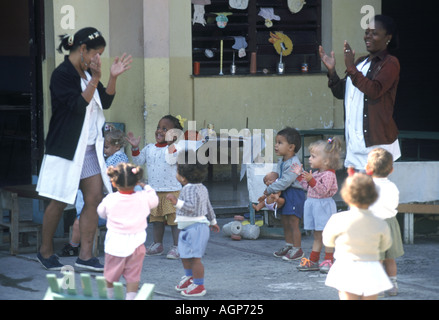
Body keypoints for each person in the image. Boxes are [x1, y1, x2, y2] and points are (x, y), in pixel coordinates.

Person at [36, 27, 132, 271]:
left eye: (100, 55)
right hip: (66, 149)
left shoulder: (88, 73)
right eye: (95, 54)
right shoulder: (62, 75)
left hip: (89, 148)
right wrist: (97, 78)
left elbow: (105, 100)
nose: (97, 59)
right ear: (82, 50)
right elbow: (78, 106)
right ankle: (45, 252)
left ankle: (86, 256)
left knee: (94, 198)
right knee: (58, 201)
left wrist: (112, 77)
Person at [319, 15, 401, 171]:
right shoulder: (360, 63)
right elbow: (343, 93)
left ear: (387, 38)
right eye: (367, 32)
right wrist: (332, 72)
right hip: (355, 143)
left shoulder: (390, 63)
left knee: (373, 193)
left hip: (376, 143)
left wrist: (351, 68)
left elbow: (374, 91)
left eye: (374, 33)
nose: (368, 37)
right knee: (358, 193)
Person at [58, 128, 128, 257]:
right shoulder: (119, 158)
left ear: (117, 146)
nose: (104, 151)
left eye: (106, 147)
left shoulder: (115, 160)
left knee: (79, 221)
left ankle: (73, 246)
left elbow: (105, 177)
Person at [323, 173, 393, 300]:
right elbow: (386, 245)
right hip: (371, 267)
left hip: (347, 266)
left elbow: (327, 240)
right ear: (374, 197)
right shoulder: (379, 222)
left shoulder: (338, 219)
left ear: (345, 196)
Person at [97, 163, 159, 300]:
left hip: (114, 245)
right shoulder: (143, 197)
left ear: (113, 183)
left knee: (110, 275)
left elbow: (101, 212)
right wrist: (146, 187)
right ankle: (130, 297)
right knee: (133, 276)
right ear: (136, 181)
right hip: (136, 245)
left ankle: (109, 296)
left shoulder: (110, 199)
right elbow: (155, 200)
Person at [126, 115, 184, 259]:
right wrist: (135, 147)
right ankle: (158, 244)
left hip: (172, 190)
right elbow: (139, 160)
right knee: (156, 219)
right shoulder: (149, 148)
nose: (159, 131)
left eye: (165, 129)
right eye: (159, 127)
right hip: (154, 191)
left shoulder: (174, 149)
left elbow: (172, 159)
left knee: (174, 221)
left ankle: (177, 247)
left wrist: (170, 144)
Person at [166, 150, 220, 297]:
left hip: (195, 228)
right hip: (189, 228)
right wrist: (213, 220)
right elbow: (208, 206)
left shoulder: (189, 189)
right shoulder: (201, 187)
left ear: (183, 178)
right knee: (184, 255)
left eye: (177, 171)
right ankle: (190, 278)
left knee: (195, 258)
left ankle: (198, 285)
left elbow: (193, 208)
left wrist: (176, 202)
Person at [291, 137, 342, 273]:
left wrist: (311, 180)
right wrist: (300, 176)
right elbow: (307, 187)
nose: (310, 159)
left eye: (313, 156)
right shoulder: (317, 173)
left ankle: (328, 260)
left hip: (323, 207)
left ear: (325, 161)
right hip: (313, 206)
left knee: (327, 235)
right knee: (317, 236)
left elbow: (323, 191)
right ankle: (313, 261)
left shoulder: (329, 175)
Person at [366, 148, 404, 296]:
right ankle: (393, 284)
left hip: (373, 225)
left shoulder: (368, 187)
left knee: (377, 259)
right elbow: (394, 205)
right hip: (391, 224)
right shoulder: (393, 187)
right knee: (390, 258)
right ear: (391, 170)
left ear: (368, 168)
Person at [264, 127, 306, 261]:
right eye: (276, 142)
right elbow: (281, 178)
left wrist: (270, 190)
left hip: (294, 193)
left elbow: (286, 181)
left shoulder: (295, 164)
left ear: (291, 147)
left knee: (293, 222)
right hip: (286, 192)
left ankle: (297, 249)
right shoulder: (282, 160)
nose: (276, 146)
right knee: (285, 221)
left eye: (280, 143)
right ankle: (289, 245)